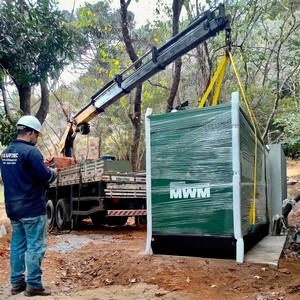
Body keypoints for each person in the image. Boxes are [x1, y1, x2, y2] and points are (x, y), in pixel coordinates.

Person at [0, 115, 57, 297]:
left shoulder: (6, 152)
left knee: (17, 245)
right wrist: (53, 172)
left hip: (13, 209)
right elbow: (45, 176)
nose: (37, 139)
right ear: (31, 132)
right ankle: (33, 284)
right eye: (37, 135)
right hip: (32, 208)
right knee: (35, 246)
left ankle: (17, 283)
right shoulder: (32, 152)